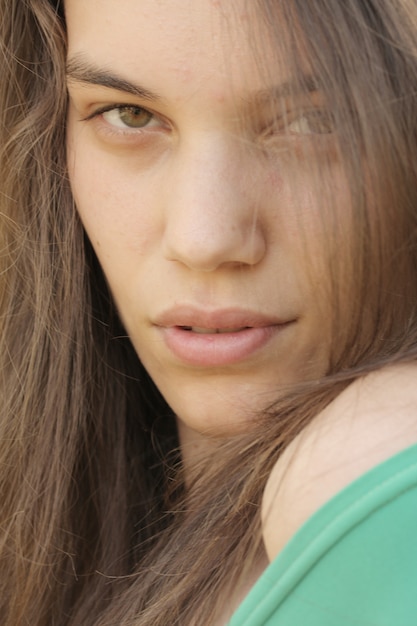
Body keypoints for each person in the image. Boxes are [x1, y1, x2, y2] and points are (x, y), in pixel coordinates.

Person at [0, 0, 416, 624]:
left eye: (314, 121)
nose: (205, 238)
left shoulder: (372, 466)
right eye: (129, 115)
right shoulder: (45, 535)